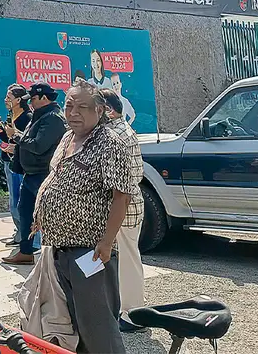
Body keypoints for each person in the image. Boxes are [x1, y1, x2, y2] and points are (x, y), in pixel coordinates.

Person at [32, 80, 137, 353]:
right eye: (69, 106)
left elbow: (122, 196)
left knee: (98, 328)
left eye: (82, 107)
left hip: (90, 251)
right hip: (61, 249)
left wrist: (105, 243)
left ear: (99, 110)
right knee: (72, 324)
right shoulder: (68, 137)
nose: (73, 113)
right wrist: (41, 213)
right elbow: (56, 178)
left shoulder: (109, 144)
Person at [2, 83, 66, 266]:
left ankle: (55, 253)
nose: (30, 103)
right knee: (25, 212)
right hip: (31, 174)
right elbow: (30, 142)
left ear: (44, 98)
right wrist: (16, 145)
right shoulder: (40, 116)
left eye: (33, 99)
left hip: (43, 175)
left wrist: (17, 136)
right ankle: (26, 251)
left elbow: (39, 145)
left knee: (47, 215)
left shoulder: (53, 118)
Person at [101, 89, 147, 333]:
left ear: (108, 109)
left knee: (128, 260)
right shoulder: (120, 129)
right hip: (127, 204)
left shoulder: (115, 134)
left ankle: (134, 312)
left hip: (123, 205)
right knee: (125, 258)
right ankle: (127, 308)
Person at [0, 85, 32, 246]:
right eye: (6, 97)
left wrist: (16, 147)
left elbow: (28, 142)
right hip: (9, 161)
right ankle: (20, 232)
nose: (6, 100)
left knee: (21, 201)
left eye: (9, 97)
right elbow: (8, 139)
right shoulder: (11, 115)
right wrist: (0, 131)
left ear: (18, 100)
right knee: (13, 200)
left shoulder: (28, 118)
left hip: (21, 163)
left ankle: (28, 236)